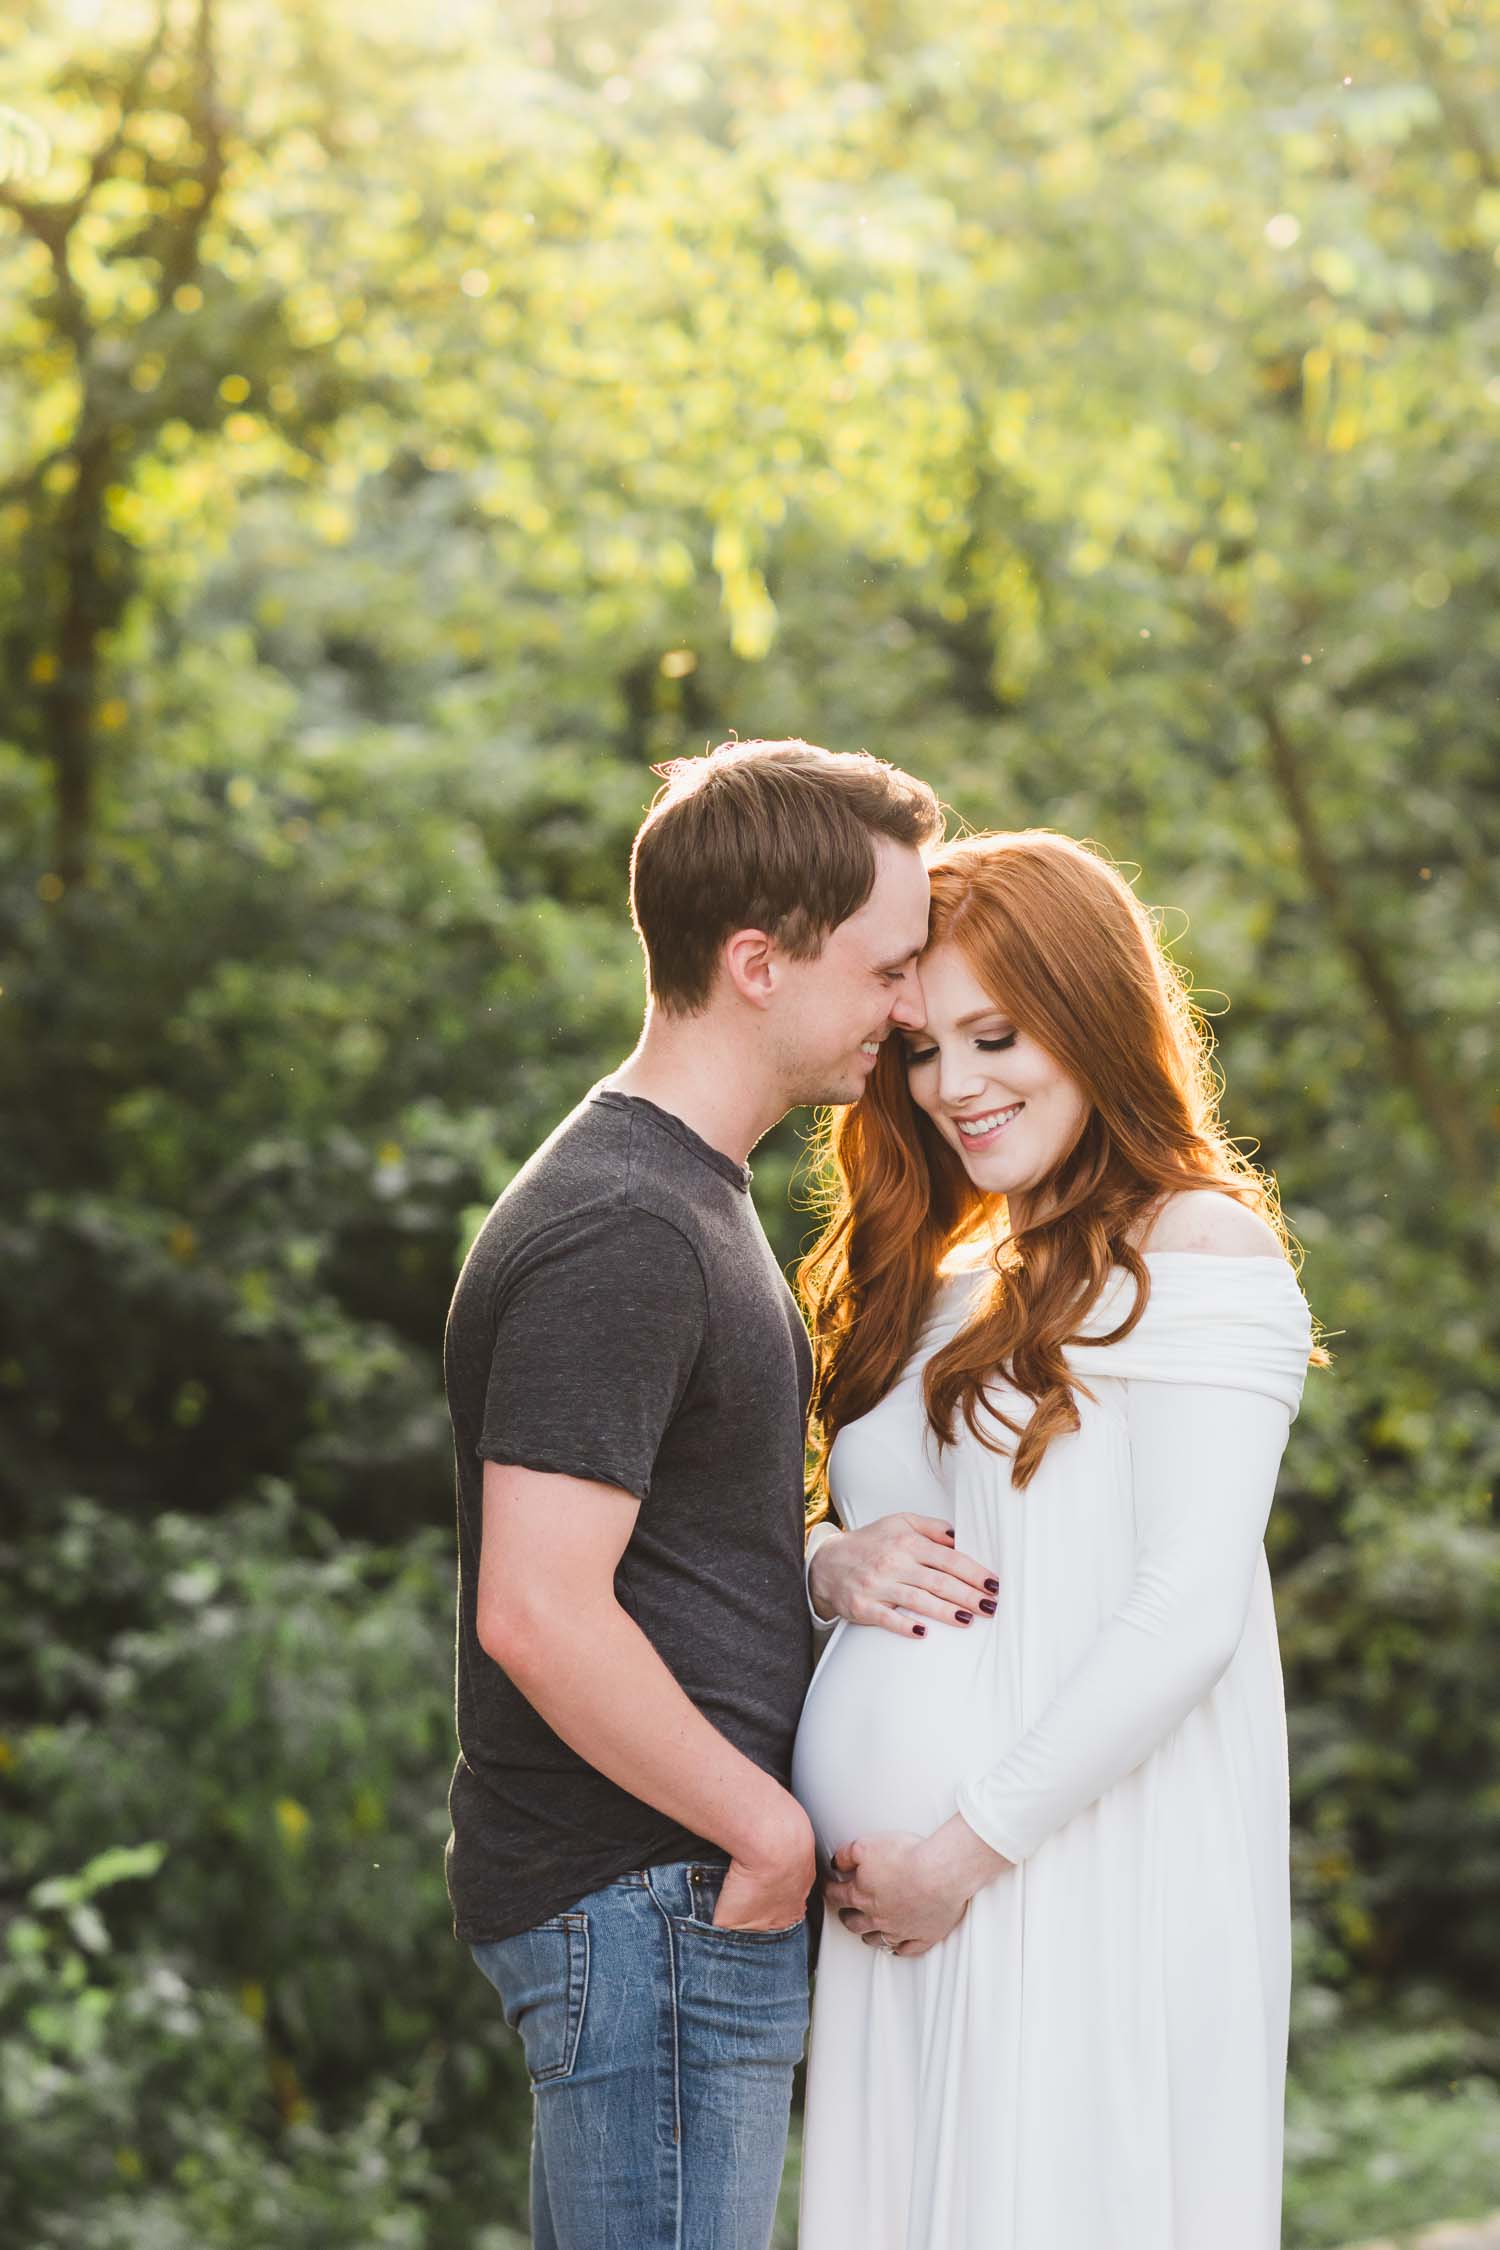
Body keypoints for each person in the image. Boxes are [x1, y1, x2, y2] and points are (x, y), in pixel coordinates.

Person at [442, 738, 991, 2250]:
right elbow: (537, 1607)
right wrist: (767, 1832)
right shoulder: (626, 1222)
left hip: (667, 1906)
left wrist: (816, 1558)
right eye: (887, 968)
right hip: (656, 1901)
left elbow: (659, 1535)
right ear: (758, 963)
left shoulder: (683, 1196)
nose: (908, 1009)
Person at [793, 829, 1317, 2250]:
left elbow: (1185, 1609)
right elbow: (866, 1527)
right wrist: (825, 1563)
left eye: (996, 1036)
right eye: (923, 1048)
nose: (952, 1084)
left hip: (1068, 1873)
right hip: (905, 1919)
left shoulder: (1200, 1248)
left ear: (1092, 1014)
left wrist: (961, 1853)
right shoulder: (952, 1276)